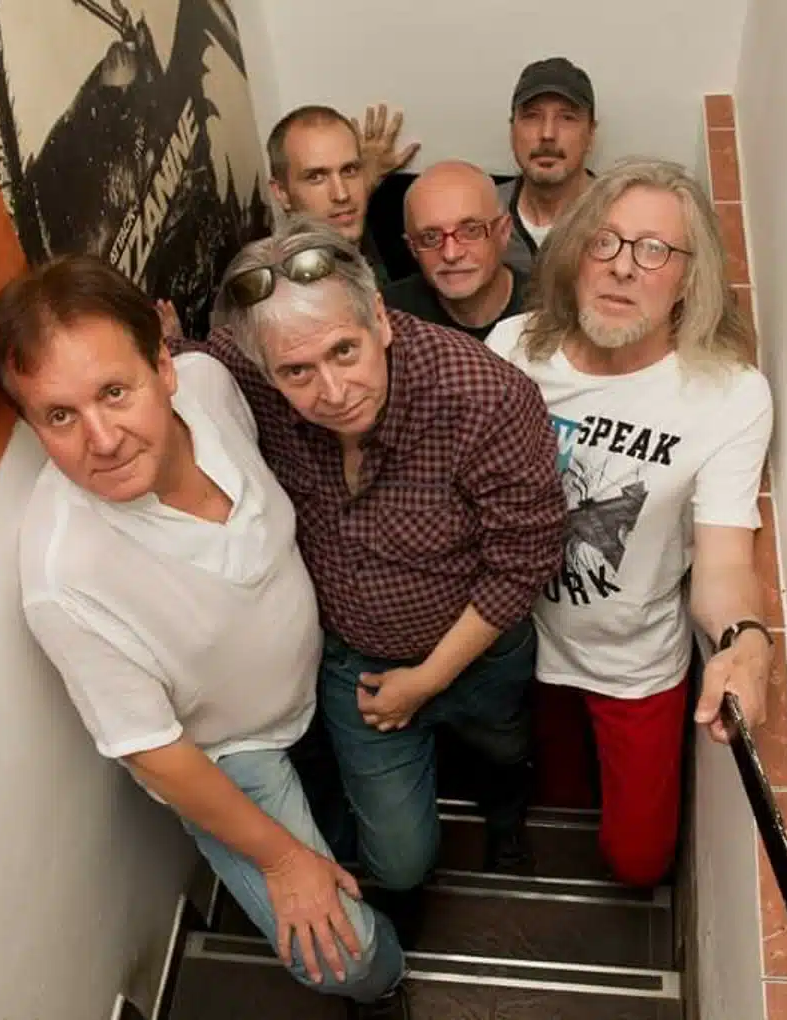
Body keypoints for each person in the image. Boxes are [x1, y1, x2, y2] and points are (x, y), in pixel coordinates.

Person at [0, 255, 410, 1019]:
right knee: (340, 955)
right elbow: (152, 751)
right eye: (59, 416)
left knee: (380, 845)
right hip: (229, 753)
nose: (102, 439)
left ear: (163, 367)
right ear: (29, 423)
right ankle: (386, 989)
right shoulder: (64, 575)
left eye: (115, 392)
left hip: (319, 679)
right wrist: (284, 861)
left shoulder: (212, 388)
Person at [172, 215, 564, 902]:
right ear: (265, 368)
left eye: (345, 352)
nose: (331, 391)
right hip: (356, 667)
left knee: (504, 752)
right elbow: (188, 367)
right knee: (401, 863)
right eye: (297, 372)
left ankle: (507, 819)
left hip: (479, 655)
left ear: (379, 319)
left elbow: (524, 560)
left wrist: (428, 679)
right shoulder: (246, 368)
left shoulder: (487, 399)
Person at [487, 158, 774, 888]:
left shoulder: (727, 396)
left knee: (639, 861)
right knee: (554, 802)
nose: (622, 267)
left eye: (653, 250)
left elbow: (724, 561)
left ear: (688, 278)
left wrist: (746, 639)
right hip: (517, 640)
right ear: (575, 254)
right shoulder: (514, 347)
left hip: (633, 661)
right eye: (605, 242)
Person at [266, 104, 419, 285]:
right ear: (282, 193)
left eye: (349, 170)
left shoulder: (395, 219)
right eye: (316, 177)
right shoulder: (284, 289)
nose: (341, 194)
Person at [382, 161, 528, 342]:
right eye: (430, 237)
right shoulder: (388, 318)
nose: (450, 254)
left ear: (504, 232)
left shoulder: (550, 309)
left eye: (471, 231)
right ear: (412, 248)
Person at [497, 57, 598, 272]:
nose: (547, 134)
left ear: (591, 133)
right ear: (512, 130)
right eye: (532, 116)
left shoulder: (622, 217)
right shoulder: (482, 217)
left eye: (567, 118)